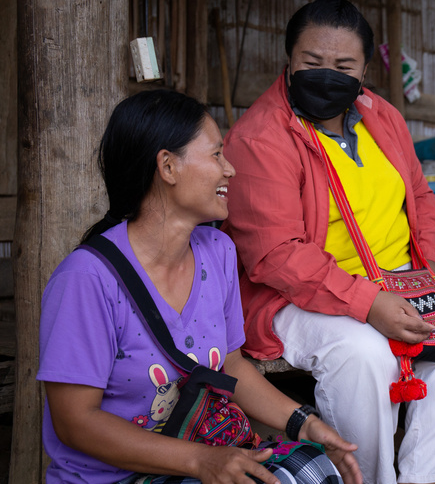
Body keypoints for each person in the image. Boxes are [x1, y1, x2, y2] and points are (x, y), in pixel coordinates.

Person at [221, 0, 435, 484]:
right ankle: (365, 479)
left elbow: (419, 197)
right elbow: (275, 257)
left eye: (343, 65)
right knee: (364, 351)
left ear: (364, 69)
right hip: (297, 297)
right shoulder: (259, 137)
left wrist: (426, 276)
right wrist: (370, 303)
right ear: (289, 60)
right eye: (312, 62)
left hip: (399, 284)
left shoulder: (381, 116)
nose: (327, 74)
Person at [37, 90, 363, 484]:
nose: (231, 170)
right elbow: (75, 422)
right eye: (216, 155)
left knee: (314, 471)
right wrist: (200, 461)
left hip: (197, 454)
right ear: (168, 167)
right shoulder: (86, 280)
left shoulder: (217, 251)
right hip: (114, 478)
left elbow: (231, 365)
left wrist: (304, 423)